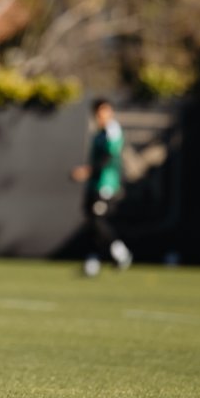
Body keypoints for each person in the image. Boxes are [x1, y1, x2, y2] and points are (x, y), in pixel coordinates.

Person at [70, 98, 133, 276]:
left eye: (106, 112)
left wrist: (87, 171)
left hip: (107, 184)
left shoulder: (113, 131)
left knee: (98, 220)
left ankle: (121, 253)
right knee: (92, 222)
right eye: (100, 113)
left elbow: (108, 157)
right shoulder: (98, 133)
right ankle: (93, 261)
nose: (103, 116)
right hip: (94, 184)